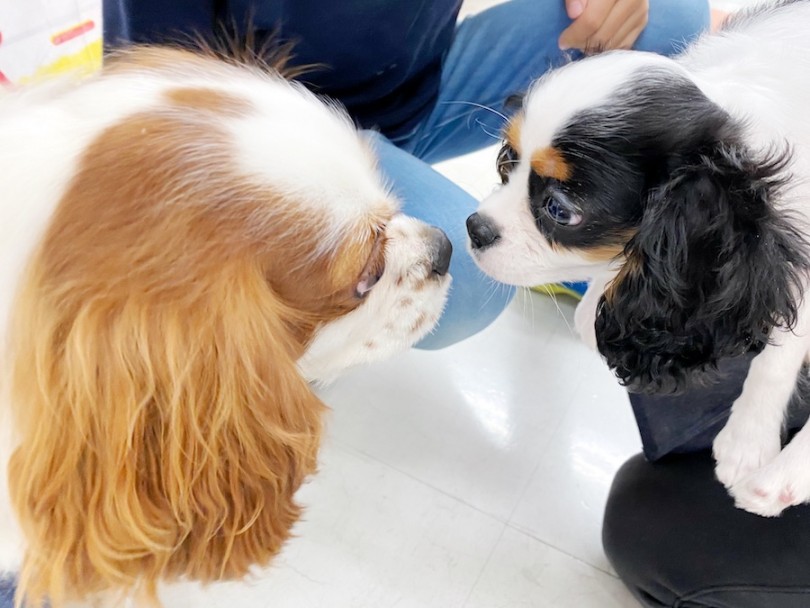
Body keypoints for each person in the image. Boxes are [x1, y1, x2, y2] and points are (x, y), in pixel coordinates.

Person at [104, 0, 710, 350]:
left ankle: (580, 242)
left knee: (668, 15)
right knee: (463, 286)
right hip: (264, 127)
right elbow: (156, 90)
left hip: (419, 87)